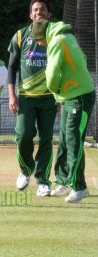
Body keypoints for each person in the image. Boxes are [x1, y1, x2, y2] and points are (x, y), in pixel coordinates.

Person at [31, 19, 96, 202]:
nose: (41, 45)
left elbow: (51, 75)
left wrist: (56, 91)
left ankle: (79, 186)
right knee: (66, 139)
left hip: (80, 98)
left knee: (73, 140)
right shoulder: (68, 36)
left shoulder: (56, 41)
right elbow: (83, 58)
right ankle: (64, 181)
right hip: (71, 97)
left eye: (40, 42)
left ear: (43, 36)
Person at [7, 0, 57, 197]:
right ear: (30, 15)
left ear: (49, 14)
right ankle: (26, 170)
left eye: (42, 9)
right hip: (26, 98)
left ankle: (43, 181)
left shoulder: (56, 36)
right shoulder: (20, 36)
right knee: (23, 135)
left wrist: (61, 96)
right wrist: (12, 95)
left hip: (49, 97)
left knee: (46, 139)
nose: (39, 12)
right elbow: (11, 67)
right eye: (35, 10)